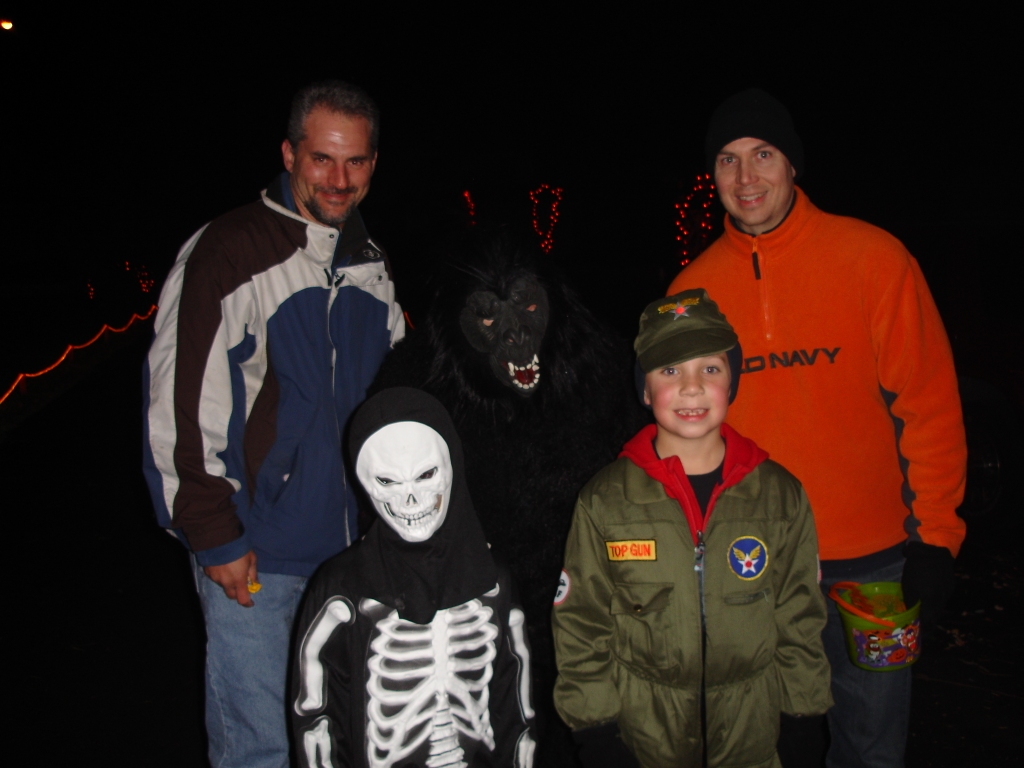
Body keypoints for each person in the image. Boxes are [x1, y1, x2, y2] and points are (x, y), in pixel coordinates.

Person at [668, 89, 967, 767]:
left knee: (872, 748)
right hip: (755, 569)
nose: (746, 177)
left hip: (876, 567)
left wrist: (936, 538)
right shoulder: (691, 294)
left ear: (792, 164)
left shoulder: (873, 259)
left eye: (763, 155)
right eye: (728, 160)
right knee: (762, 747)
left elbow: (929, 405)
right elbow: (682, 433)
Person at [143, 80, 404, 768]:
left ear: (373, 163)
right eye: (321, 159)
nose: (338, 180)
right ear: (289, 154)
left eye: (354, 161)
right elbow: (180, 403)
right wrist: (214, 534)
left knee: (345, 742)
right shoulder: (230, 251)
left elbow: (398, 400)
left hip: (355, 558)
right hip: (259, 555)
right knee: (259, 748)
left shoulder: (371, 265)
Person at [552, 289, 832, 767]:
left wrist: (804, 717)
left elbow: (800, 617)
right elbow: (581, 624)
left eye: (711, 369)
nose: (691, 387)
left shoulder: (780, 496)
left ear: (732, 382)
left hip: (752, 738)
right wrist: (595, 731)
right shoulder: (605, 501)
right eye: (669, 370)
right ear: (644, 390)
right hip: (645, 742)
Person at [291, 387, 536, 767]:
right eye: (388, 482)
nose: (410, 500)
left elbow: (517, 711)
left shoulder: (493, 580)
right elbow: (316, 716)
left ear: (453, 466)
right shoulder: (341, 590)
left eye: (425, 475)